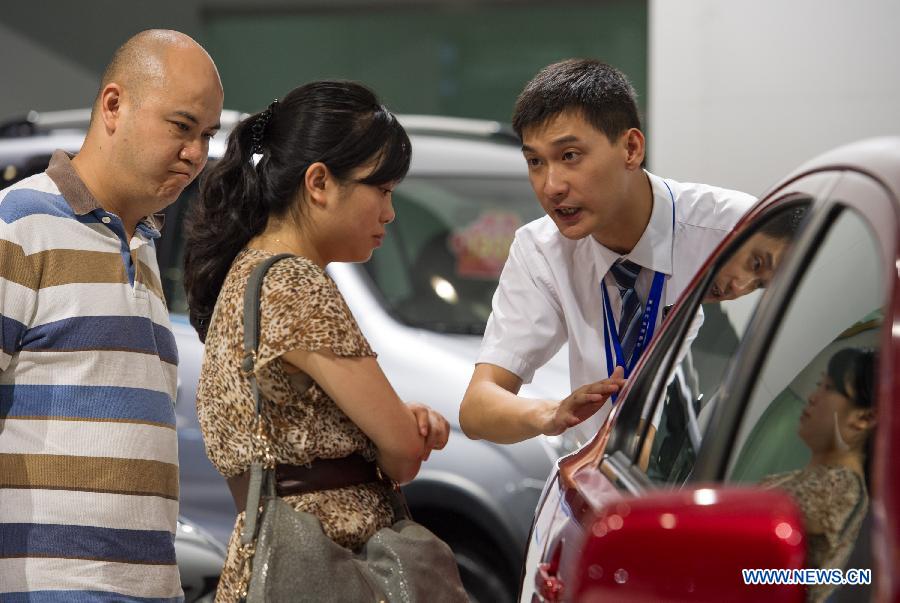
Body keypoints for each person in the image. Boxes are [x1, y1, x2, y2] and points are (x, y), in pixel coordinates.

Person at [183, 81, 457, 601]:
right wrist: (401, 429)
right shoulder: (297, 284)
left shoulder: (247, 273)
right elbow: (400, 453)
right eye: (382, 189)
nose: (389, 213)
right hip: (332, 565)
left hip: (276, 563)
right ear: (319, 182)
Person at [0, 30, 222, 600]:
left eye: (206, 135)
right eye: (181, 126)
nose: (196, 153)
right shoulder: (18, 225)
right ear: (114, 106)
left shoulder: (142, 244)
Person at [459, 58, 756, 444]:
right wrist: (551, 412)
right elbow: (477, 408)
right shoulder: (542, 250)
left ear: (631, 148)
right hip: (597, 486)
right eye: (535, 161)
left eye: (569, 156)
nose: (551, 186)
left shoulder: (732, 227)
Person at [761, 347, 876, 602]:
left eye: (829, 388)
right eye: (818, 385)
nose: (813, 397)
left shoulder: (840, 488)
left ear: (864, 418)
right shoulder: (810, 479)